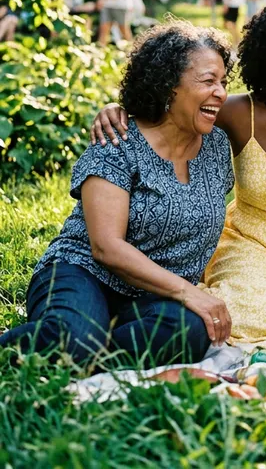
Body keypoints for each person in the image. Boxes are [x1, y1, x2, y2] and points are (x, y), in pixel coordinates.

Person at [91, 1, 266, 342]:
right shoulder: (237, 112)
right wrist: (118, 109)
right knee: (239, 310)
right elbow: (173, 109)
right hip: (248, 246)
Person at [0, 23, 235, 367]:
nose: (221, 93)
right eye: (208, 81)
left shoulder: (216, 146)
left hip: (155, 295)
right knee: (76, 338)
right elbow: (106, 247)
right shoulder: (118, 140)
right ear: (169, 86)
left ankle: (86, 349)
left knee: (191, 331)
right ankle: (77, 340)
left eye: (224, 83)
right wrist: (189, 291)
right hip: (83, 272)